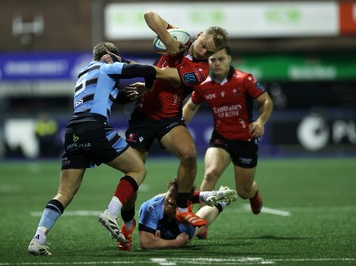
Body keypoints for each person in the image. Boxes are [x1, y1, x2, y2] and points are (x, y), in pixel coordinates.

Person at [27, 42, 171, 256]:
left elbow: (107, 95)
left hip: (73, 130)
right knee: (138, 169)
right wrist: (147, 87)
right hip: (94, 127)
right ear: (108, 56)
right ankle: (111, 213)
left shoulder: (84, 73)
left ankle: (38, 239)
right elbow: (148, 70)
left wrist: (128, 94)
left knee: (64, 193)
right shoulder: (107, 65)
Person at [114, 11, 229, 251]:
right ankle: (127, 223)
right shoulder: (180, 37)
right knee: (134, 174)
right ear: (199, 36)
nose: (203, 52)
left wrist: (137, 69)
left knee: (188, 154)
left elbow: (163, 73)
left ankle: (183, 207)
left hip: (169, 118)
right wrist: (168, 41)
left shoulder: (201, 71)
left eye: (209, 52)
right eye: (203, 45)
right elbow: (149, 15)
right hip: (143, 117)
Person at [183, 47, 274, 239]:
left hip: (245, 140)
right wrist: (179, 128)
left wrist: (260, 122)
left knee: (243, 191)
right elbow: (191, 106)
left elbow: (266, 102)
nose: (216, 63)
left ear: (229, 59)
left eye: (221, 59)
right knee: (210, 174)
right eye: (212, 59)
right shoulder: (204, 85)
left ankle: (253, 191)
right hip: (221, 138)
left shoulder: (244, 80)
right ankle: (202, 221)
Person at [138, 178, 237, 250]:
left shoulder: (185, 224)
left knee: (199, 224)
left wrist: (177, 241)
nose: (171, 200)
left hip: (179, 227)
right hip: (166, 219)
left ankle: (222, 203)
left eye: (175, 198)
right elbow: (146, 242)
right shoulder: (151, 207)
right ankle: (210, 196)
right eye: (169, 195)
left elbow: (150, 243)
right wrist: (176, 242)